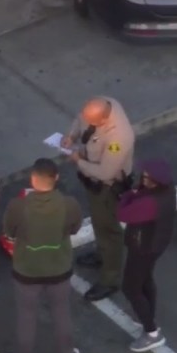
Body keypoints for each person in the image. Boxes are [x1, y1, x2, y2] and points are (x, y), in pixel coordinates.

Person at [0, 158, 83, 353]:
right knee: (61, 312)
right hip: (59, 269)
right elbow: (74, 229)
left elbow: (9, 232)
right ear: (55, 178)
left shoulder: (18, 206)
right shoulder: (69, 204)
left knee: (26, 317)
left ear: (32, 179)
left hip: (27, 271)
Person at [62, 96, 135, 301]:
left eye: (92, 121)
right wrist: (72, 135)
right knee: (99, 222)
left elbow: (105, 172)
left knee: (109, 229)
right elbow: (80, 119)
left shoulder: (119, 138)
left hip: (106, 187)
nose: (87, 122)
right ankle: (102, 254)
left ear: (103, 120)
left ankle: (110, 279)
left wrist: (78, 162)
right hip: (94, 180)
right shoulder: (102, 105)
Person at [117, 159, 176, 352]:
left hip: (143, 247)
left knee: (130, 287)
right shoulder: (167, 192)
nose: (142, 178)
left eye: (146, 177)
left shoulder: (149, 203)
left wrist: (127, 195)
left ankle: (151, 332)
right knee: (145, 279)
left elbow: (123, 214)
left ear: (155, 182)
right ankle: (147, 315)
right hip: (156, 244)